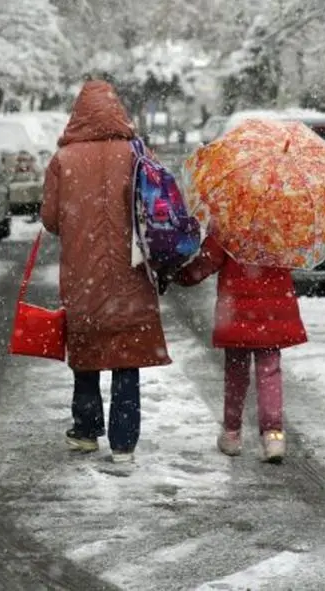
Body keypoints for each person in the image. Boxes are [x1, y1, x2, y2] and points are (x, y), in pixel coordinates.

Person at [40, 80, 170, 463]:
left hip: (83, 273)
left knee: (87, 348)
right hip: (132, 270)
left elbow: (50, 219)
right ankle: (124, 442)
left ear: (78, 114)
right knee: (127, 354)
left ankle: (85, 430)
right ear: (118, 111)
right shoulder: (137, 153)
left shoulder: (64, 160)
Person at [172, 230, 307, 463]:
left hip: (235, 310)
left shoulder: (229, 222)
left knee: (236, 373)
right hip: (273, 311)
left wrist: (180, 276)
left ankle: (232, 433)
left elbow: (207, 262)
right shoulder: (282, 221)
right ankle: (273, 435)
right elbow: (296, 259)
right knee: (270, 372)